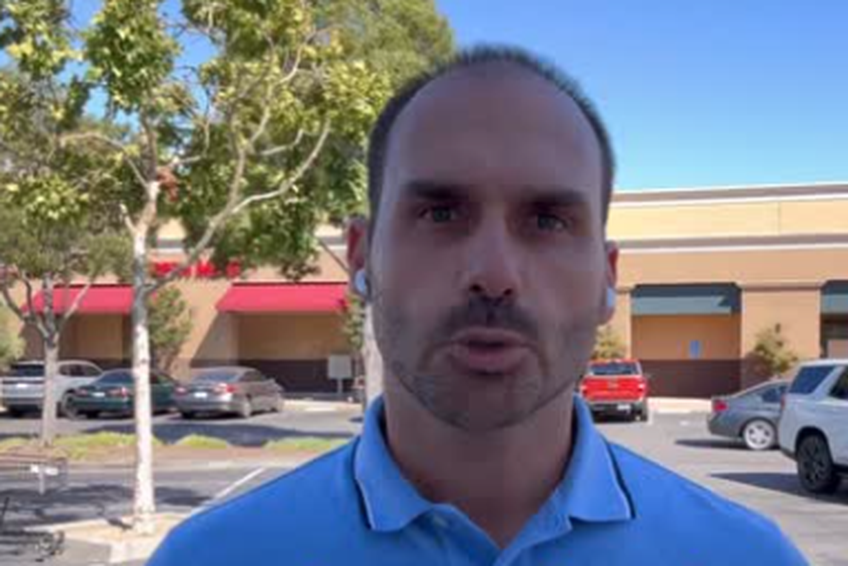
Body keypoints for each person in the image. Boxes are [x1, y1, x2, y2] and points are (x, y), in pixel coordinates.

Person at [149, 45, 808, 565]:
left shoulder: (747, 557)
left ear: (607, 279)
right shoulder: (210, 558)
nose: (494, 275)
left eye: (547, 220)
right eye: (440, 212)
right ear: (361, 257)